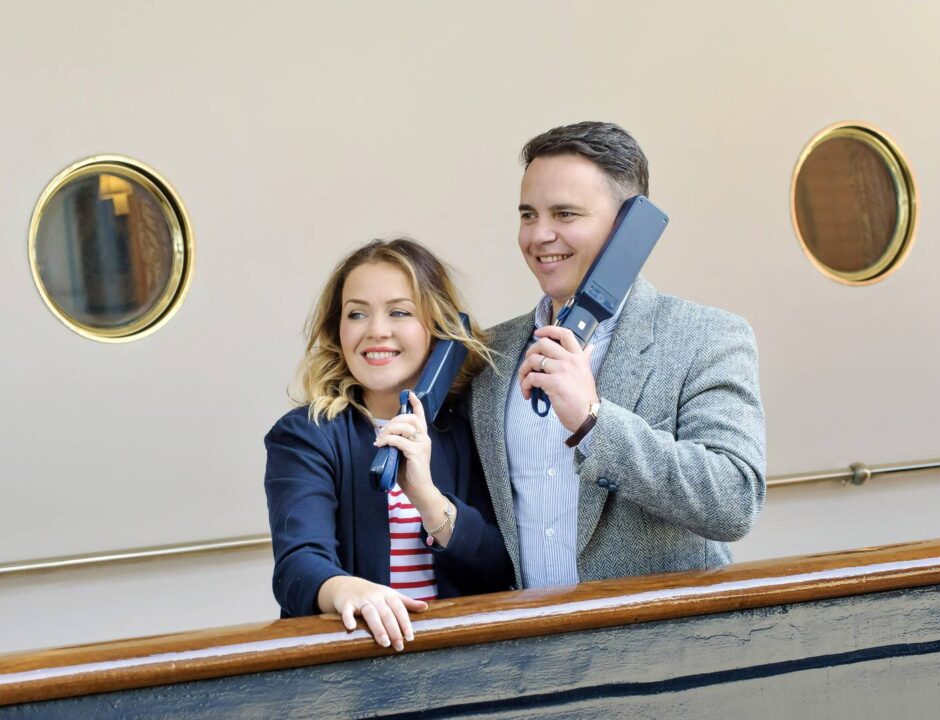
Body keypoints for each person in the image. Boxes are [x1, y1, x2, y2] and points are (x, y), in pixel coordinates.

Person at [469, 121, 766, 589]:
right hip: (528, 632)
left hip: (663, 632)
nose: (539, 235)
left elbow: (734, 501)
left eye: (565, 214)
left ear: (629, 227)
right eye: (528, 215)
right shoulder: (493, 354)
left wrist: (594, 421)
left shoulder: (706, 337)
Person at [264, 238, 511, 651]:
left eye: (399, 312)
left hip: (461, 660)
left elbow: (498, 569)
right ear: (337, 330)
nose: (376, 331)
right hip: (357, 661)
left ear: (437, 328)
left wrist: (429, 500)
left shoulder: (472, 430)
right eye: (357, 313)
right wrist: (344, 588)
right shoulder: (305, 436)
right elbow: (297, 567)